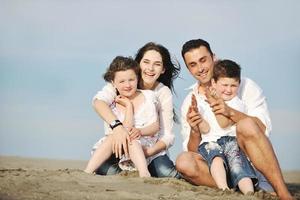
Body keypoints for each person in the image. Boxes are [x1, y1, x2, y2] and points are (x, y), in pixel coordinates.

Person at [176, 39, 292, 199]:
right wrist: (195, 130)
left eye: (203, 60)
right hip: (218, 167)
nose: (200, 68)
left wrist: (230, 112)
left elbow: (262, 129)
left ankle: (282, 193)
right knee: (183, 161)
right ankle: (233, 188)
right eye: (193, 64)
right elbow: (192, 151)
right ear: (188, 69)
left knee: (246, 125)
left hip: (249, 160)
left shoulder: (244, 85)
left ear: (213, 58)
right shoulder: (190, 101)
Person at [90, 42, 181, 178]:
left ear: (163, 69)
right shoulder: (122, 82)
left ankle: (143, 171)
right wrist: (118, 127)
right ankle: (125, 174)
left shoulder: (161, 92)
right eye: (146, 62)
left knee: (167, 173)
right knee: (104, 168)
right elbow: (98, 102)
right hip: (118, 146)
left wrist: (148, 152)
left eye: (157, 64)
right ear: (138, 64)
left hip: (149, 148)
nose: (150, 68)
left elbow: (167, 135)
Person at [85, 56, 160, 177]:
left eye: (131, 79)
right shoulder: (113, 101)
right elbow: (124, 128)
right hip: (118, 146)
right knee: (112, 137)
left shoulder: (149, 96)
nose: (127, 85)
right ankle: (88, 171)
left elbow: (155, 126)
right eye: (122, 81)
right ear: (113, 83)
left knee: (131, 139)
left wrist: (140, 131)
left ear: (137, 78)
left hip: (141, 144)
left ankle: (144, 173)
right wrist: (129, 107)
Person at [194, 59, 257, 194]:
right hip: (210, 142)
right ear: (214, 83)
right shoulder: (203, 104)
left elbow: (224, 124)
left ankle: (249, 192)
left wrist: (215, 101)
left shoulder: (237, 103)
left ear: (239, 84)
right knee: (216, 160)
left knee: (237, 164)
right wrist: (198, 119)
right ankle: (224, 189)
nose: (229, 90)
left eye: (233, 85)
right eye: (224, 85)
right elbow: (206, 130)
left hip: (231, 141)